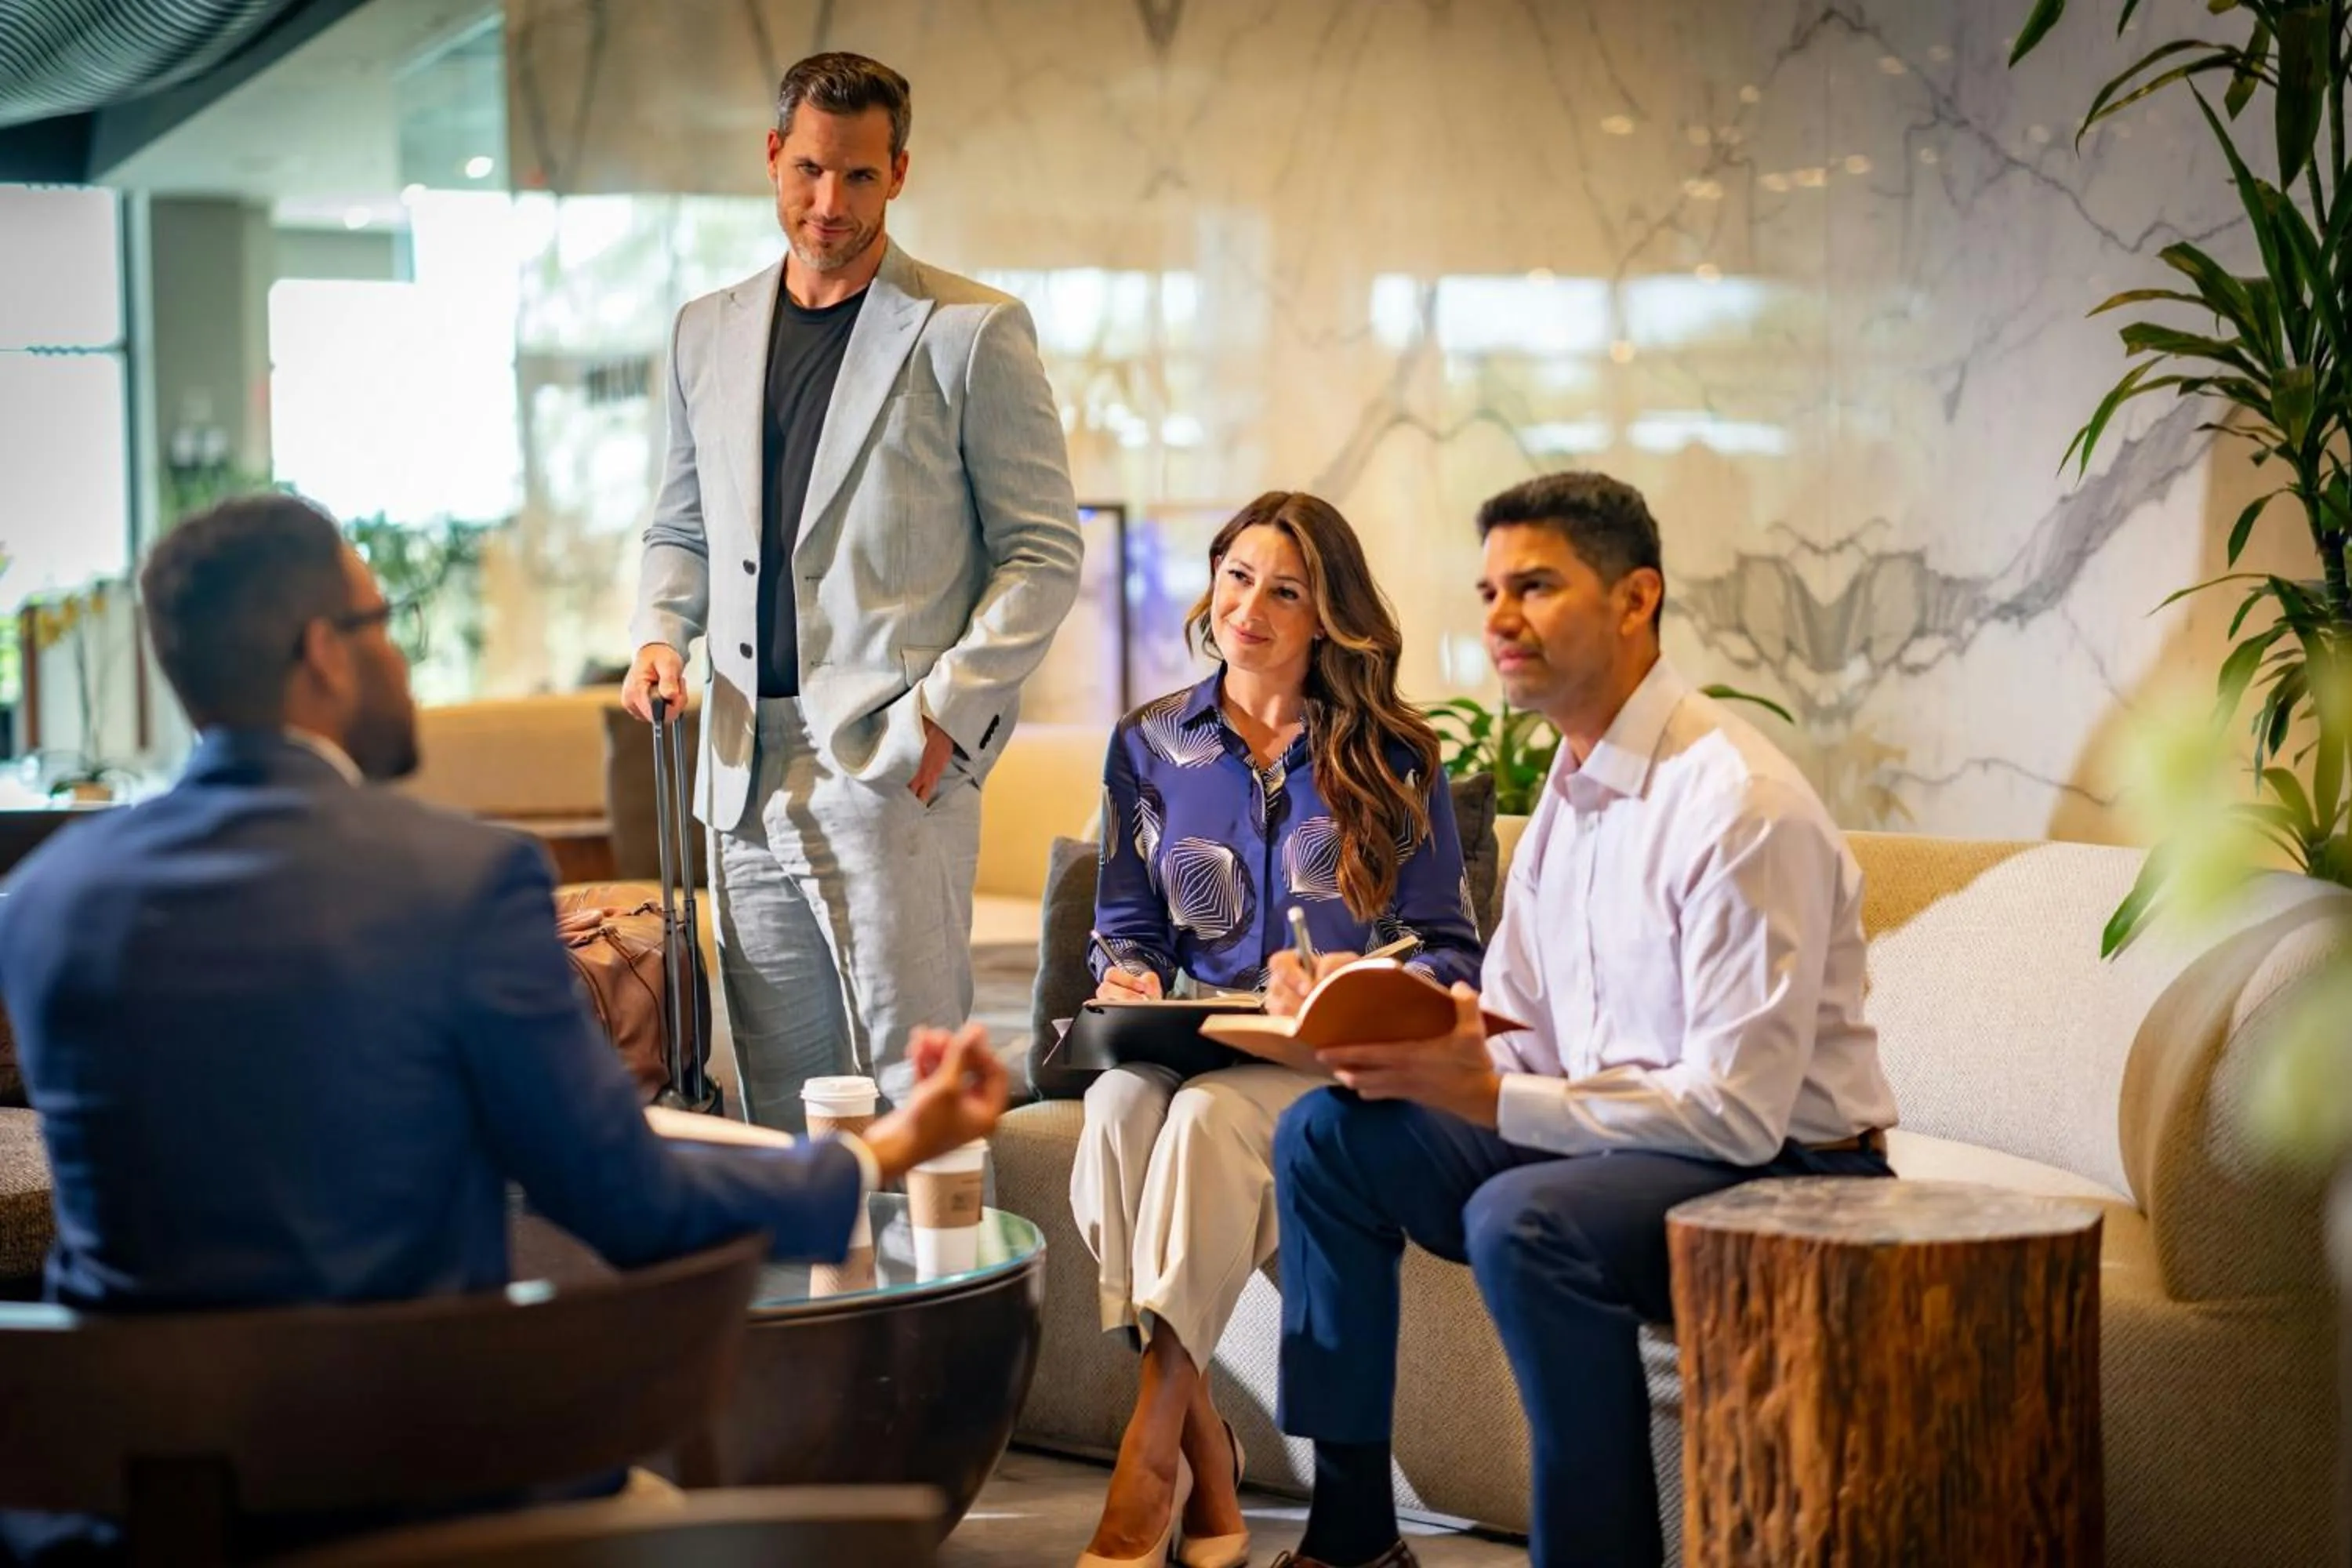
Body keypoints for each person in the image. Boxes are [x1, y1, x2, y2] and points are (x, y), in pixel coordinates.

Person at [0, 494, 1009, 1559]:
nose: (398, 658)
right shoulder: (457, 883)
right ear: (321, 656)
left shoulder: (54, 902)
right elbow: (630, 1201)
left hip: (120, 1511)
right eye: (379, 621)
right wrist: (883, 1149)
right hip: (419, 1507)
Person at [1260, 472, 1900, 1568]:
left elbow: (1739, 1116)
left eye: (1537, 587)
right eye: (1490, 590)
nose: (1499, 619)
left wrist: (1496, 1095)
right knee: (1324, 1138)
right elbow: (1519, 1024)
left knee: (1527, 1218)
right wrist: (1375, 1023)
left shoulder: (1737, 803)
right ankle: (1355, 1535)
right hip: (1633, 1143)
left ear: (1635, 600)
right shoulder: (1571, 786)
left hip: (1791, 1171)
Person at [622, 50, 1083, 1130]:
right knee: (792, 1110)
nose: (831, 204)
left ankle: (941, 1303)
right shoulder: (706, 329)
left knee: (913, 1101)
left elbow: (1043, 552)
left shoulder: (971, 330)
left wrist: (946, 720)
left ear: (900, 173)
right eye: (813, 171)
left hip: (890, 765)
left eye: (861, 177)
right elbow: (681, 524)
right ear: (776, 157)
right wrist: (659, 636)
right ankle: (818, 1303)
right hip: (738, 767)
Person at [1071, 493, 1483, 1568]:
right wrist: (1125, 974)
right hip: (1177, 1039)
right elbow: (1125, 922)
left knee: (1206, 1122)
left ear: (1325, 618)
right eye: (1238, 575)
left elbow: (1448, 950)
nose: (1250, 606)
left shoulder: (1396, 755)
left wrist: (1348, 977)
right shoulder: (1148, 743)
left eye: (1285, 590)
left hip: (1313, 1062)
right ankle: (1205, 1440)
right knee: (1116, 1109)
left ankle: (1154, 1446)